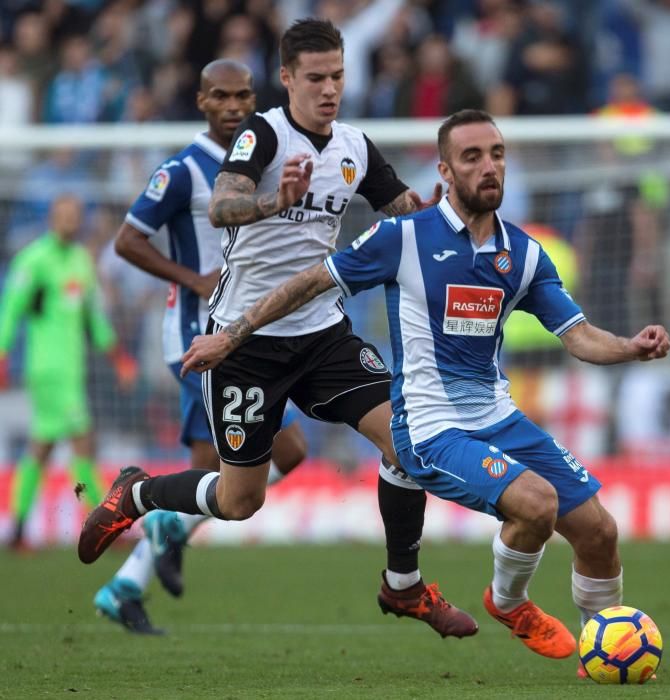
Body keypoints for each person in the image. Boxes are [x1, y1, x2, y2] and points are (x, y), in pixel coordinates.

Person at [178, 109, 670, 671]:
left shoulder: (525, 255)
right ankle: (509, 604)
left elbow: (579, 337)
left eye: (497, 154)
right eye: (472, 157)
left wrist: (631, 346)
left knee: (600, 531)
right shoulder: (403, 238)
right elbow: (311, 281)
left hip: (496, 415)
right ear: (445, 169)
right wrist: (234, 334)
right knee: (536, 504)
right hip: (430, 427)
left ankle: (599, 654)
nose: (489, 167)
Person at [78, 20, 477, 640]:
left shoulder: (355, 146)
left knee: (408, 443)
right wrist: (271, 200)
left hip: (323, 333)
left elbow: (405, 213)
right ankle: (138, 495)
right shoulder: (263, 134)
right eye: (315, 78)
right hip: (245, 342)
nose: (329, 90)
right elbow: (222, 205)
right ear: (287, 78)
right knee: (241, 501)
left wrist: (441, 212)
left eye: (338, 77)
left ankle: (404, 587)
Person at [91, 59, 308, 635]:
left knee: (227, 467)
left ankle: (128, 582)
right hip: (197, 339)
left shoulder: (259, 159)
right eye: (222, 96)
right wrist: (193, 280)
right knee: (279, 454)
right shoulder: (184, 171)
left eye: (243, 96)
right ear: (201, 101)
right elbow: (127, 240)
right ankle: (157, 535)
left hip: (245, 334)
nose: (235, 106)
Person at [0, 194, 137, 550]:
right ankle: (100, 526)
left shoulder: (80, 261)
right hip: (47, 369)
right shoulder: (34, 261)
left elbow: (94, 318)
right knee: (83, 442)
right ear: (51, 218)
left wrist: (118, 358)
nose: (69, 221)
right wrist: (1, 357)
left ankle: (16, 531)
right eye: (62, 215)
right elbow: (10, 311)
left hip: (71, 370)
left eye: (74, 215)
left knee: (41, 448)